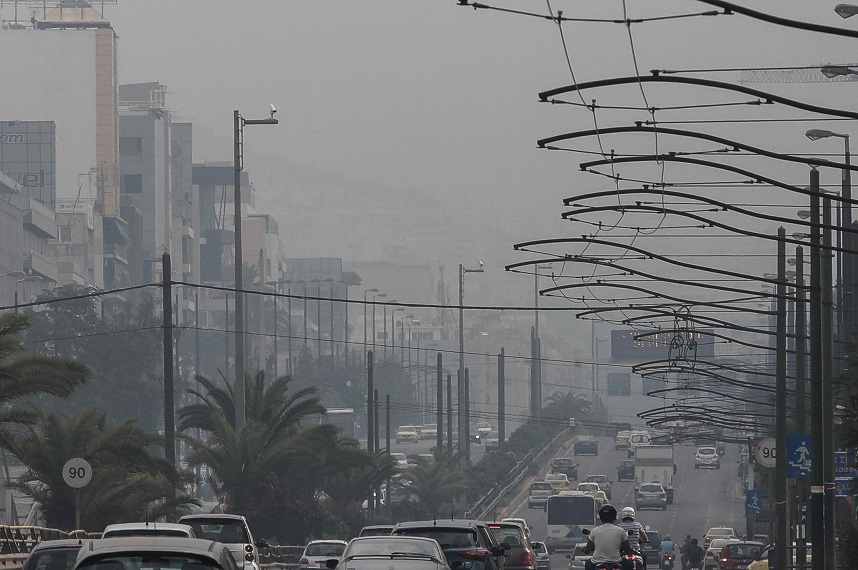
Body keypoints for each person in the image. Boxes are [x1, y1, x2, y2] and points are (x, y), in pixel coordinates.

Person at [581, 504, 635, 570]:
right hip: (616, 561)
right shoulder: (621, 531)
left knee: (588, 564)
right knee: (630, 564)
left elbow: (588, 550)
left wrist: (583, 549)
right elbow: (628, 549)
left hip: (597, 562)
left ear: (601, 517)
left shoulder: (595, 531)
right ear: (614, 517)